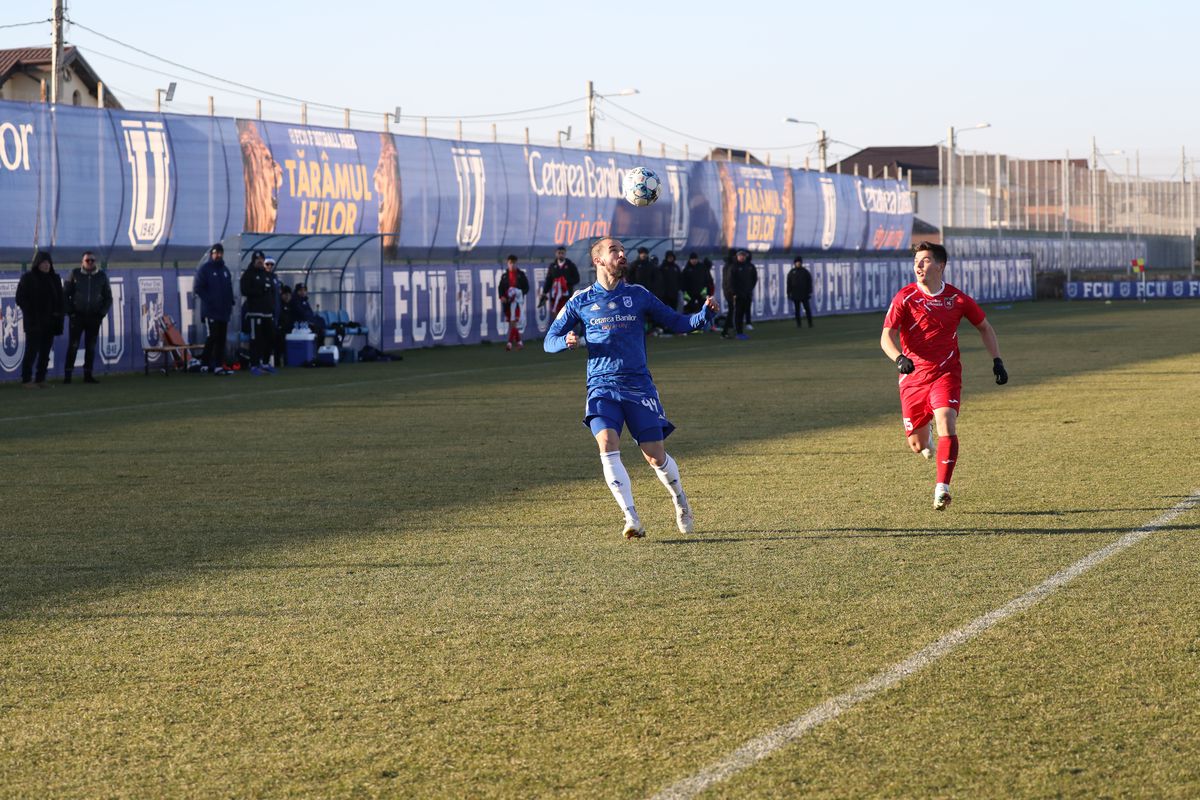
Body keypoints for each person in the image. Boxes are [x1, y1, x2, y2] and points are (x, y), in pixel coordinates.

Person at [544, 237, 719, 539]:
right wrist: (565, 341)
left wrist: (704, 316)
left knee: (654, 456)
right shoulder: (580, 300)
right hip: (601, 387)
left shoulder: (638, 295)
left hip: (638, 386)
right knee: (607, 446)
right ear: (598, 260)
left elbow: (676, 322)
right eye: (614, 251)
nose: (622, 254)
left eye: (622, 250)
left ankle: (680, 500)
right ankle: (631, 518)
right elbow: (549, 340)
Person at [880, 241, 1009, 511]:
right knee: (917, 446)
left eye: (925, 260)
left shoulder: (957, 299)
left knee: (947, 422)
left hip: (946, 372)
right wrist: (899, 358)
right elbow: (886, 337)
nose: (918, 265)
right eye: (916, 260)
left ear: (941, 265)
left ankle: (942, 488)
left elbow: (985, 327)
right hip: (913, 376)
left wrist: (997, 360)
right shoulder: (904, 297)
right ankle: (924, 431)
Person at [15, 250, 64, 388]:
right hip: (34, 323)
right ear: (37, 264)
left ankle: (40, 379)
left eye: (48, 263)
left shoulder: (54, 278)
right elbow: (20, 298)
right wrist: (30, 312)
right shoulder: (28, 278)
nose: (46, 265)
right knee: (31, 351)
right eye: (43, 263)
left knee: (45, 353)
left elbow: (60, 300)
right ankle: (26, 380)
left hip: (50, 323)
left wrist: (58, 315)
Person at [62, 251, 113, 384]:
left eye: (92, 260)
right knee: (73, 345)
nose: (90, 262)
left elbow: (108, 298)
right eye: (87, 260)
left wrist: (101, 314)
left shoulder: (101, 276)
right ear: (82, 262)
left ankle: (88, 375)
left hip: (94, 317)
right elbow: (65, 295)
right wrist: (71, 312)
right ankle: (68, 376)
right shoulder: (75, 274)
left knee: (91, 346)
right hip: (77, 316)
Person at [194, 243, 235, 375]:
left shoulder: (225, 270)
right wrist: (210, 301)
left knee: (222, 338)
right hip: (211, 311)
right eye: (215, 253)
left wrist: (230, 303)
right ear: (211, 254)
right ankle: (205, 363)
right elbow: (198, 288)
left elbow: (229, 289)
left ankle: (218, 365)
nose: (218, 255)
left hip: (223, 311)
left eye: (220, 253)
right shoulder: (205, 269)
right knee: (212, 337)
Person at [240, 250, 276, 374]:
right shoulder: (248, 274)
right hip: (255, 313)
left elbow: (271, 292)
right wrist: (259, 290)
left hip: (267, 313)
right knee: (256, 340)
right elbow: (244, 290)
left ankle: (265, 363)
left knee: (270, 338)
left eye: (261, 259)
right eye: (258, 259)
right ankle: (254, 365)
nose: (260, 261)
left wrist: (272, 307)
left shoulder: (266, 275)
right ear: (253, 260)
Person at [722, 249, 757, 340]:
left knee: (741, 313)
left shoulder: (747, 267)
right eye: (740, 255)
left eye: (743, 255)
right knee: (736, 313)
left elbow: (753, 279)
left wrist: (749, 289)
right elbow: (730, 282)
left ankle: (738, 331)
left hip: (745, 294)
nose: (742, 257)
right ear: (737, 256)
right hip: (736, 294)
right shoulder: (733, 267)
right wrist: (733, 293)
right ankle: (735, 332)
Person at [497, 254, 530, 351]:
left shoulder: (521, 275)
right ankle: (519, 342)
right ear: (507, 263)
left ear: (516, 263)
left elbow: (526, 288)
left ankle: (509, 343)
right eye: (510, 263)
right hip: (508, 303)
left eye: (514, 263)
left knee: (513, 322)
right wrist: (502, 296)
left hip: (517, 303)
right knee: (512, 324)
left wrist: (519, 293)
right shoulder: (504, 276)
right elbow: (501, 288)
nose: (512, 265)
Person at [539, 247, 580, 316]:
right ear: (556, 254)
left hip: (567, 294)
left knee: (567, 312)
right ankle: (558, 326)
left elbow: (577, 279)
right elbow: (549, 280)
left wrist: (566, 281)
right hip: (555, 294)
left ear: (565, 254)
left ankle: (568, 326)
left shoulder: (570, 265)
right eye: (559, 253)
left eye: (562, 253)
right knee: (555, 311)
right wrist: (544, 292)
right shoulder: (552, 266)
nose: (561, 255)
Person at [786, 255, 814, 329]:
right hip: (795, 294)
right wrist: (788, 293)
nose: (798, 263)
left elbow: (809, 282)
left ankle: (810, 323)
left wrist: (809, 292)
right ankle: (799, 324)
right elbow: (789, 284)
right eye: (796, 262)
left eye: (799, 262)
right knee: (797, 310)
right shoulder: (791, 272)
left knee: (807, 308)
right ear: (794, 263)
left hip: (804, 294)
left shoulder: (805, 272)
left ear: (801, 263)